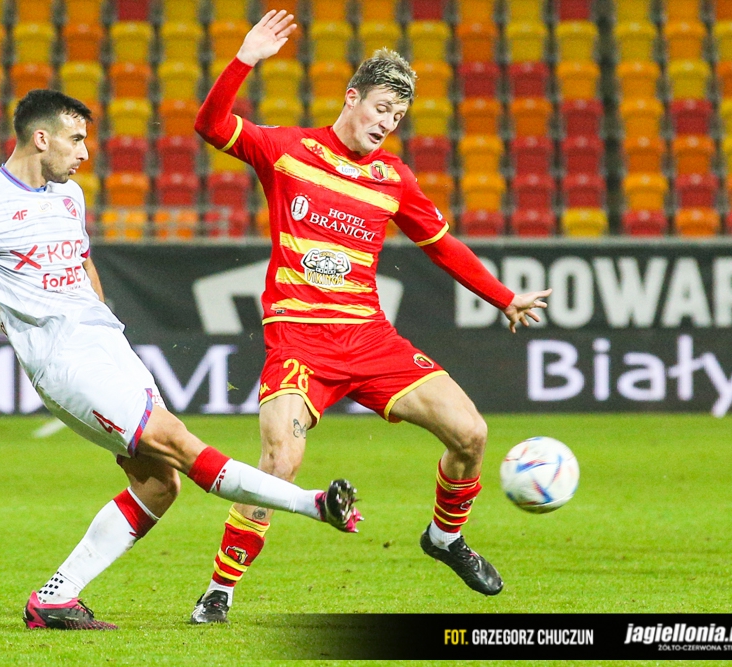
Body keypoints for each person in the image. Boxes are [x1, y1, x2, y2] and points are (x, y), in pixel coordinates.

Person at [0, 89, 363, 631]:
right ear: (40, 138)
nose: (86, 153)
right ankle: (315, 504)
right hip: (65, 362)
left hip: (107, 347)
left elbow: (82, 259)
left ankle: (55, 598)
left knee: (160, 484)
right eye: (76, 140)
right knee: (180, 444)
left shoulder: (68, 195)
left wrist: (102, 317)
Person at [188, 11, 552, 624]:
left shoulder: (393, 179)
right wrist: (245, 58)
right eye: (381, 108)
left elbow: (442, 244)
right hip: (300, 344)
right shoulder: (286, 151)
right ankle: (219, 591)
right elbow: (210, 125)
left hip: (370, 339)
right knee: (280, 463)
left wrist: (502, 297)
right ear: (351, 97)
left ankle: (444, 538)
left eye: (398, 117)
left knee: (471, 433)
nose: (387, 123)